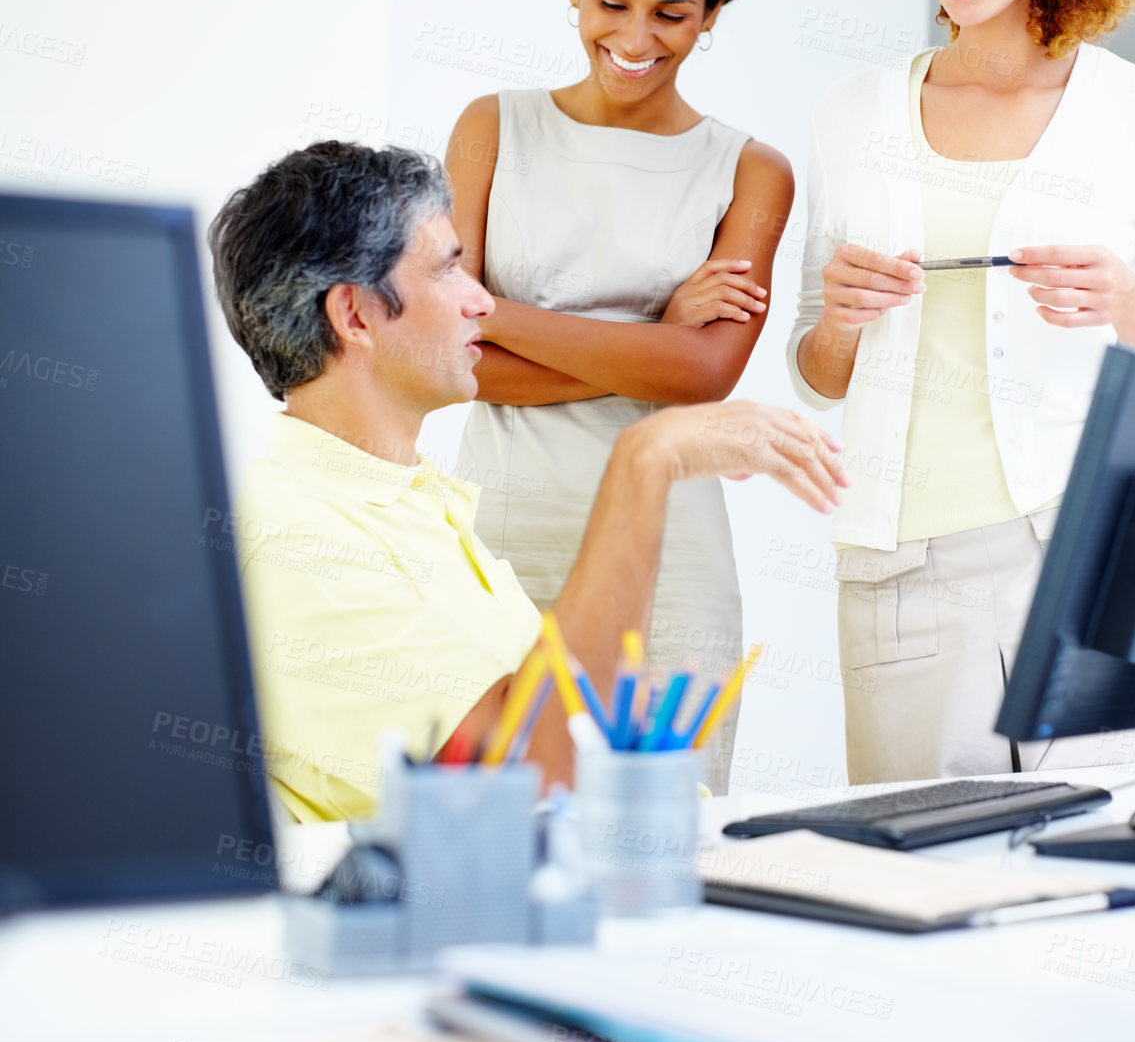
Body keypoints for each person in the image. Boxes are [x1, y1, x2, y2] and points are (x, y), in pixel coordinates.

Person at [787, 0, 1135, 784]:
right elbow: (817, 369)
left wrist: (1125, 303)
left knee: (1097, 874)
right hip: (904, 568)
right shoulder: (850, 114)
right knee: (922, 887)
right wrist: (842, 321)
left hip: (1089, 551)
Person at [208, 141, 845, 823]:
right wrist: (644, 458)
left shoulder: (411, 506)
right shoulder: (296, 541)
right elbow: (533, 783)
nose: (481, 298)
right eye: (449, 269)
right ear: (356, 316)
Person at [446, 0, 794, 793]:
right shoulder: (492, 127)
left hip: (669, 543)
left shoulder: (751, 171)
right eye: (611, 1)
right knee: (492, 806)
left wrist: (503, 316)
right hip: (504, 526)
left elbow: (707, 376)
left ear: (713, 13)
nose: (635, 36)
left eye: (673, 14)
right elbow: (454, 360)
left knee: (656, 819)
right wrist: (657, 346)